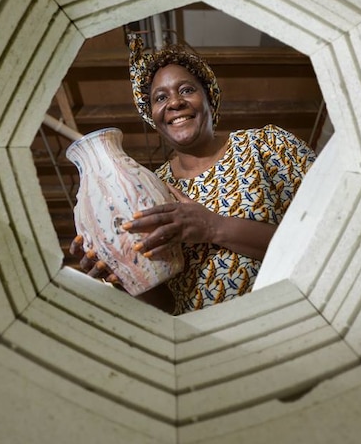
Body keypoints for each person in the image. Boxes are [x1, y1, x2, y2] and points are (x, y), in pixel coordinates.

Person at [69, 35, 315, 314]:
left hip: (284, 318)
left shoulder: (266, 146)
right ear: (152, 116)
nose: (174, 102)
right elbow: (170, 304)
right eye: (161, 97)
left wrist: (213, 227)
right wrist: (123, 274)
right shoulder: (147, 189)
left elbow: (329, 235)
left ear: (210, 98)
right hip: (206, 343)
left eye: (186, 90)